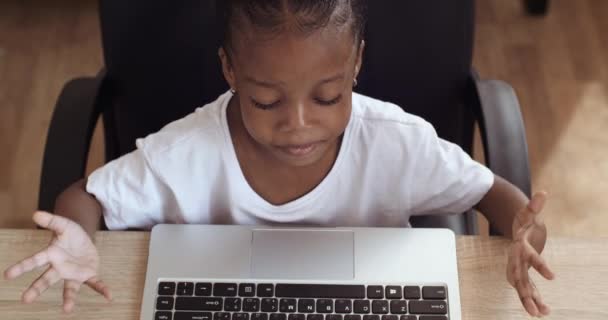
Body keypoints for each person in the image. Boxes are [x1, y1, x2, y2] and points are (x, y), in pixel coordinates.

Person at [3, 0, 555, 317]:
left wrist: (522, 231)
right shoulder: (187, 153)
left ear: (356, 63)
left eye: (327, 97)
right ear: (229, 71)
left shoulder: (395, 142)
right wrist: (76, 235)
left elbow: (494, 195)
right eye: (266, 101)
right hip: (221, 293)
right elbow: (86, 197)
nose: (297, 124)